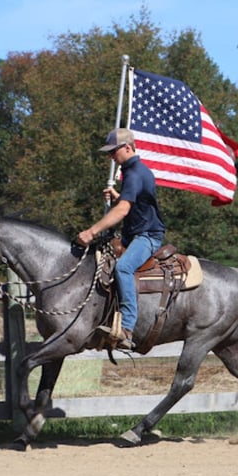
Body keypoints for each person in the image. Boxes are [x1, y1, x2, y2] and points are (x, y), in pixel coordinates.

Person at [76, 128, 165, 349]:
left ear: (127, 148)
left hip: (148, 235)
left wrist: (91, 232)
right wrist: (119, 197)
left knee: (123, 268)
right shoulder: (133, 172)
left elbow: (123, 211)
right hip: (134, 233)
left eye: (113, 151)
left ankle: (126, 328)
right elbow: (136, 205)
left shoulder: (135, 173)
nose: (111, 157)